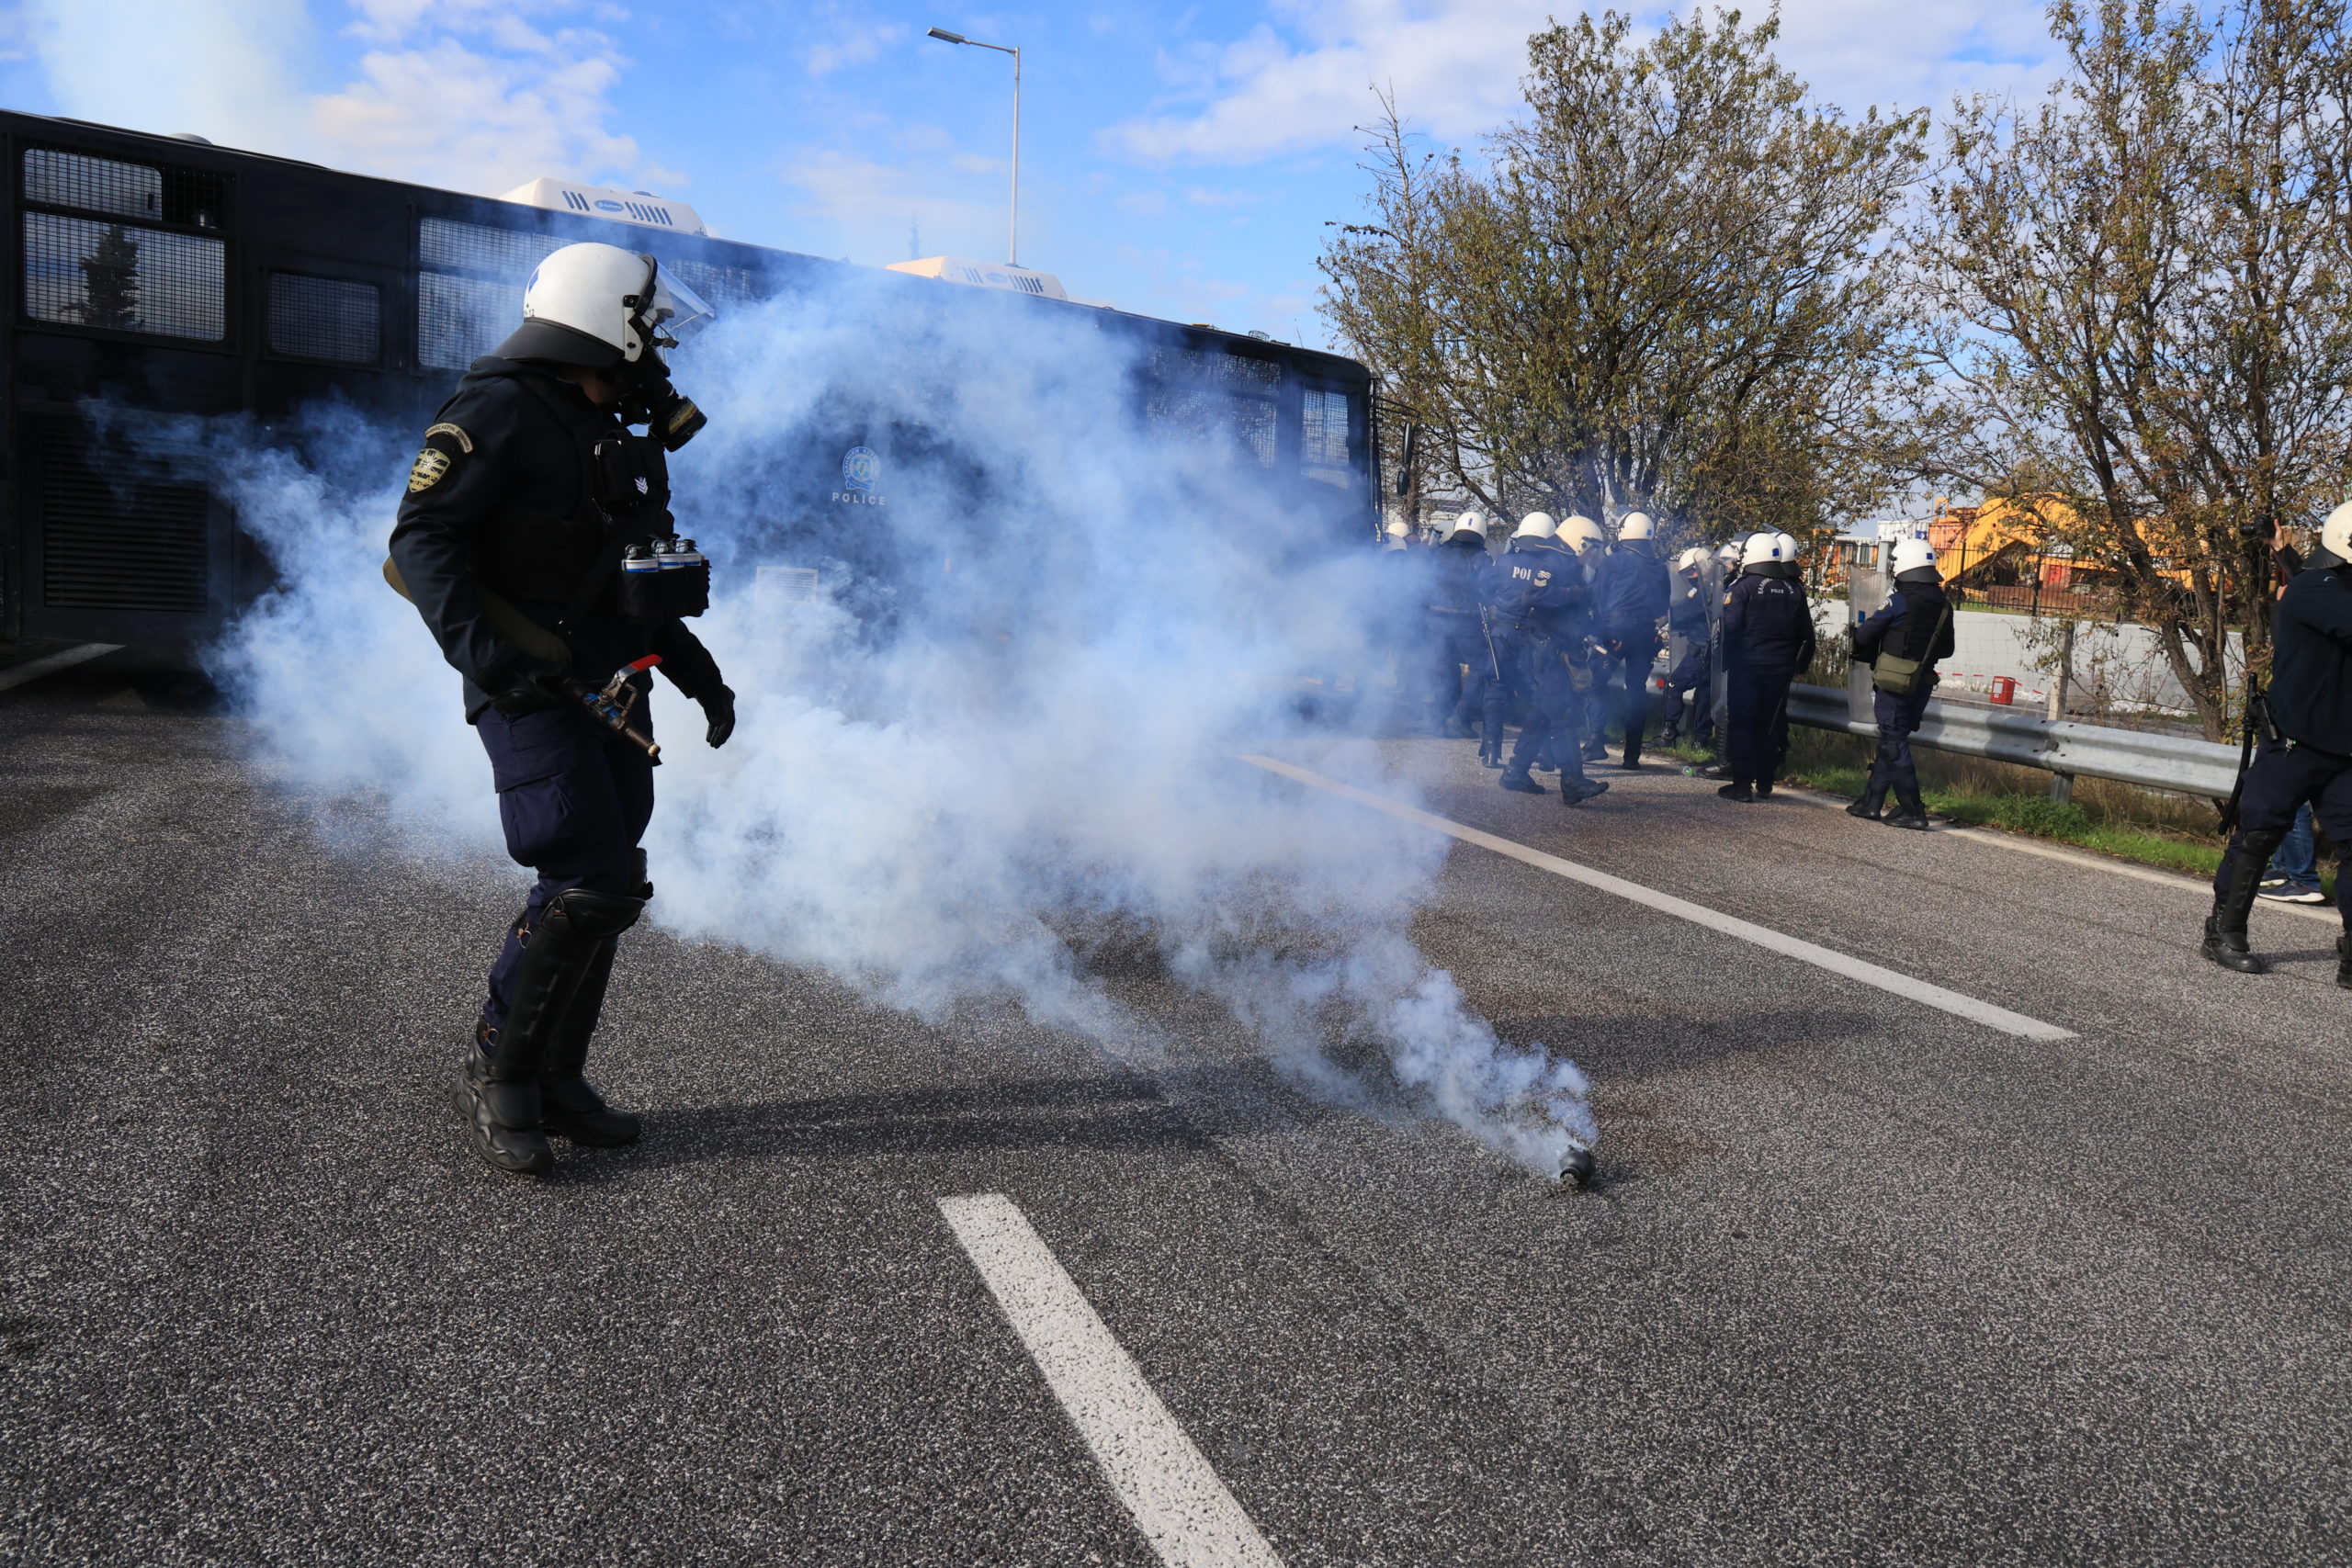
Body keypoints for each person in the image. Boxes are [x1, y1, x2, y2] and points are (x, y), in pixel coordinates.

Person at [388, 241, 737, 1177]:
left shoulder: (612, 426)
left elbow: (628, 579)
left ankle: (558, 1080)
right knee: (586, 872)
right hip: (530, 685)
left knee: (612, 877)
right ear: (601, 316)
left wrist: (698, 672)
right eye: (646, 323)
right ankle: (500, 1069)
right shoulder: (498, 409)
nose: (655, 344)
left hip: (616, 680)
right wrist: (498, 666)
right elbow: (421, 543)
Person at [2202, 502, 2352, 980]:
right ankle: (2224, 931)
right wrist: (2291, 559)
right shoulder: (2315, 590)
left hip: (2345, 748)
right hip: (2295, 741)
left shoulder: (2324, 583)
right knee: (2260, 833)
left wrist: (2282, 549)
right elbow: (2334, 604)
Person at [1491, 513, 1608, 804]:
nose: (1592, 554)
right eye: (1591, 546)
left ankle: (1515, 772)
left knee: (1542, 715)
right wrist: (1576, 594)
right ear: (1580, 543)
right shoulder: (1554, 563)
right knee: (1564, 715)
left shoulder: (1568, 564)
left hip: (1556, 649)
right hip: (1545, 651)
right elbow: (1533, 597)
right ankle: (1573, 782)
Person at [1847, 537, 1956, 829]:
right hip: (1921, 682)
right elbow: (1946, 650)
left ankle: (1913, 810)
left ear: (1905, 564)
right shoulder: (1944, 604)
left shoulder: (1899, 600)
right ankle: (1871, 804)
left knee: (1894, 742)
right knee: (1892, 739)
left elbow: (1865, 635)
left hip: (1893, 682)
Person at [1716, 530, 1815, 803]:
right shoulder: (1795, 589)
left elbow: (1729, 628)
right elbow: (1807, 634)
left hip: (1747, 667)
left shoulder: (1743, 587)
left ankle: (1742, 785)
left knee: (1743, 723)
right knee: (1769, 723)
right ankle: (1766, 782)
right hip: (1781, 669)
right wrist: (1800, 665)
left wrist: (1722, 659)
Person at [1590, 511, 1672, 767]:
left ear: (1624, 532)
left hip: (1616, 632)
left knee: (1596, 683)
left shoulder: (1612, 562)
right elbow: (1662, 607)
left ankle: (1595, 742)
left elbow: (1597, 598)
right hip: (1645, 634)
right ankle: (1632, 755)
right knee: (1636, 692)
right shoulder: (1660, 567)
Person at [1425, 512, 1496, 740]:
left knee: (1445, 668)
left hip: (1436, 620)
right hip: (1466, 622)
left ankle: (1438, 721)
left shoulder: (1440, 552)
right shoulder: (1482, 558)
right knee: (1481, 667)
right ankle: (1461, 717)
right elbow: (1487, 591)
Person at [1555, 514, 1612, 760]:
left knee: (1555, 705)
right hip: (1554, 645)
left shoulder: (1578, 570)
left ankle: (1556, 764)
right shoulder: (1558, 568)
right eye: (1589, 549)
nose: (1590, 556)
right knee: (1551, 705)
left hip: (1572, 641)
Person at [1658, 546, 1714, 747]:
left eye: (1692, 570)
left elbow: (1685, 612)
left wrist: (1665, 611)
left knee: (1675, 684)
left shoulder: (1704, 592)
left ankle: (1669, 732)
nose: (1690, 576)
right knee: (1704, 694)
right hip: (1708, 651)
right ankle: (1700, 740)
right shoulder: (1712, 588)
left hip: (1701, 651)